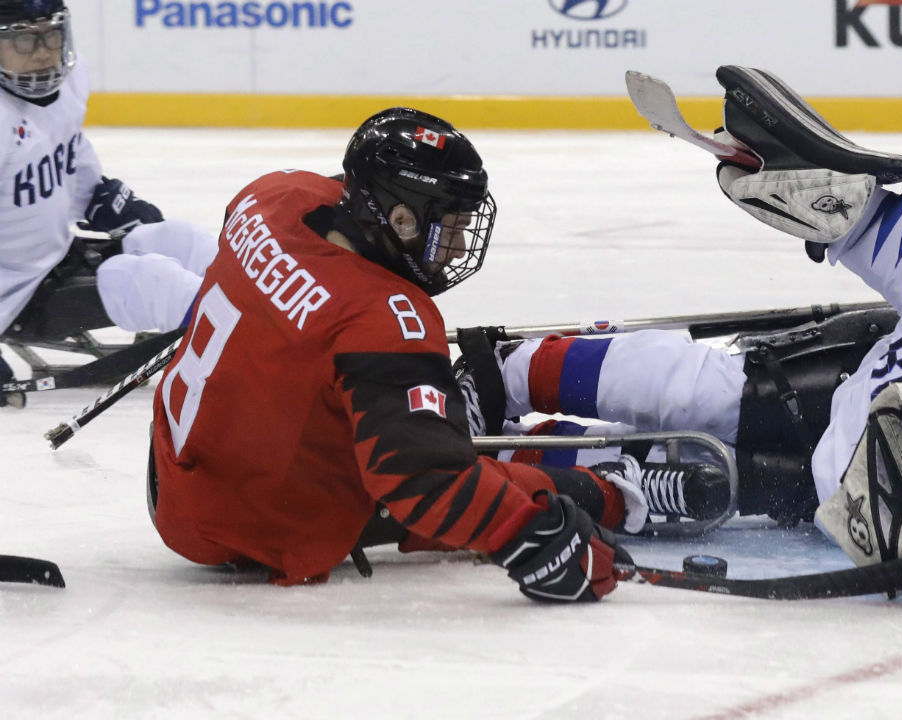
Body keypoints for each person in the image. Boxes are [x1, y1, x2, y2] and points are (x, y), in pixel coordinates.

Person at [468, 66, 902, 587]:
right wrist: (825, 196)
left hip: (843, 496)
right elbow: (883, 224)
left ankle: (500, 458)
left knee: (696, 478)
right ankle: (501, 377)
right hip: (860, 379)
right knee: (703, 390)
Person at [146, 107, 730, 603]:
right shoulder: (383, 316)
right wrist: (532, 538)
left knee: (407, 415)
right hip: (260, 524)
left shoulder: (269, 196)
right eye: (447, 224)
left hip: (176, 479)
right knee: (461, 466)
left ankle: (455, 412)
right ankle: (617, 489)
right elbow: (421, 481)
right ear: (398, 218)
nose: (456, 244)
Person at [0, 0, 210, 408]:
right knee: (153, 282)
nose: (43, 51)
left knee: (181, 240)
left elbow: (68, 149)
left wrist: (100, 195)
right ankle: (257, 359)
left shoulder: (72, 79)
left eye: (51, 35)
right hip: (13, 296)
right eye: (24, 39)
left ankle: (280, 325)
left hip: (57, 257)